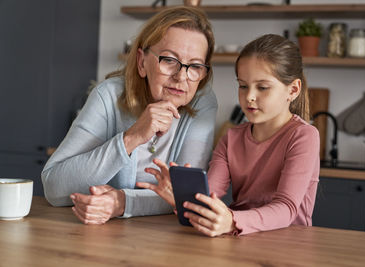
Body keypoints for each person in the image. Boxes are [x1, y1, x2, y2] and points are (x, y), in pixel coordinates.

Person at [41, 6, 218, 224]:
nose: (181, 76)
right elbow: (53, 186)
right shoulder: (108, 95)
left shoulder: (203, 103)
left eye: (195, 66)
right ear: (142, 62)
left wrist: (122, 202)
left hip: (166, 240)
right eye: (169, 60)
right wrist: (131, 138)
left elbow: (188, 196)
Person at [139, 34, 320, 236]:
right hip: (239, 240)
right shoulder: (231, 138)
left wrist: (233, 221)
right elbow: (210, 196)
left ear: (293, 90)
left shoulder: (304, 136)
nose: (249, 96)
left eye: (262, 87)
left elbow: (286, 208)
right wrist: (184, 199)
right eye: (243, 86)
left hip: (289, 244)